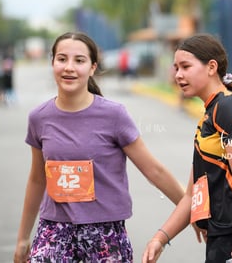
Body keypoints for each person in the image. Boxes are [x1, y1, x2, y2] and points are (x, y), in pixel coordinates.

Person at [13, 31, 185, 263]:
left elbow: (154, 171)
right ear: (52, 62)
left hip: (106, 235)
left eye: (79, 60)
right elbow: (36, 179)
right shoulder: (39, 118)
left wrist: (193, 213)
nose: (69, 67)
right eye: (62, 59)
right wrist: (23, 239)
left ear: (93, 67)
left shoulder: (114, 115)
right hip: (54, 231)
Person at [142, 34, 232, 263]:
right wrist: (160, 238)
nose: (178, 75)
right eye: (176, 68)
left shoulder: (229, 108)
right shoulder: (211, 113)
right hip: (221, 234)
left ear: (211, 67)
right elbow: (193, 194)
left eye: (186, 66)